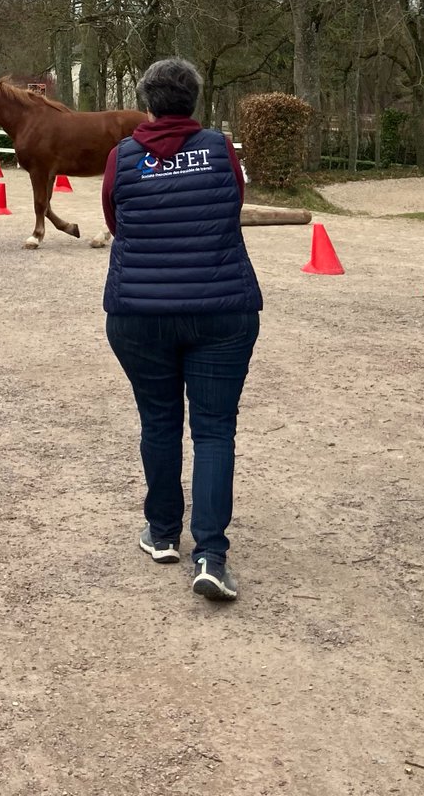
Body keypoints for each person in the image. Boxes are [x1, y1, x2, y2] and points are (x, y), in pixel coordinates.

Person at [102, 57, 263, 602]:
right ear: (194, 102)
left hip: (140, 311)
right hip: (221, 308)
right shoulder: (221, 151)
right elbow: (232, 207)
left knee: (159, 421)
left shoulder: (121, 159)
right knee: (215, 429)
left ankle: (164, 531)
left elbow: (115, 222)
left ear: (147, 102)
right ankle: (212, 555)